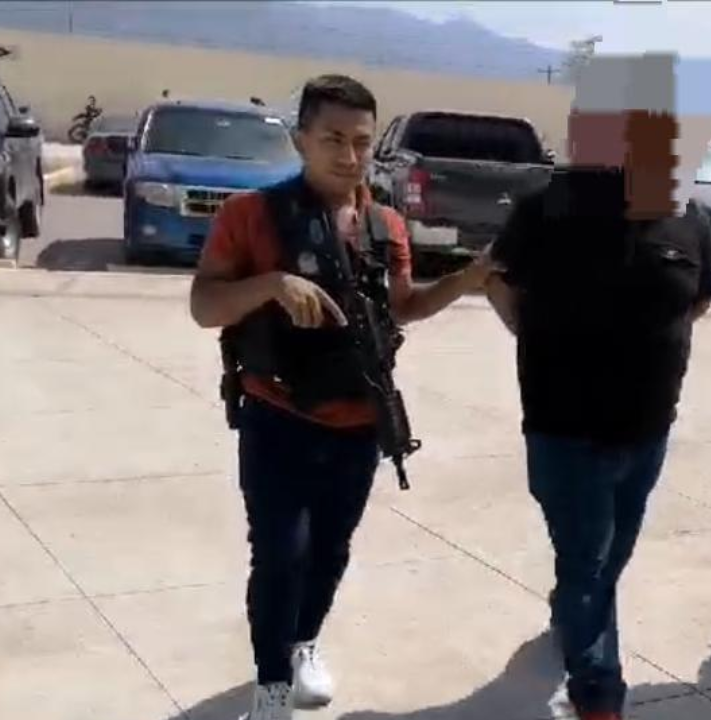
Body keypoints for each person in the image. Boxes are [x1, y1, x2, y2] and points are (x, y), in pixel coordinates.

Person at [189, 74, 495, 720]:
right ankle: (272, 686)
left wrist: (469, 278)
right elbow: (205, 306)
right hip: (277, 415)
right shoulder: (250, 215)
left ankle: (303, 643)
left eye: (361, 142)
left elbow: (404, 307)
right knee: (280, 555)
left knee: (330, 550)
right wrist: (272, 284)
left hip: (358, 422)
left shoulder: (385, 224)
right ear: (301, 139)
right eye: (333, 139)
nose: (349, 155)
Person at [485, 54, 711, 720]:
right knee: (586, 560)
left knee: (608, 560)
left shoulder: (687, 215)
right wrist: (534, 334)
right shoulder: (544, 208)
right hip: (564, 429)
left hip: (647, 432)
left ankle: (572, 615)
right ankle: (598, 692)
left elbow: (698, 297)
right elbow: (496, 277)